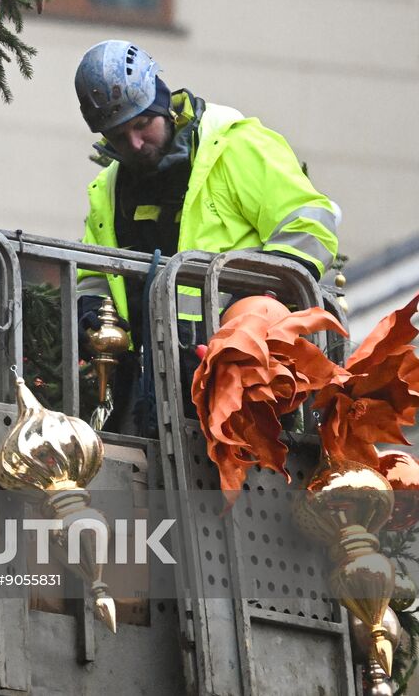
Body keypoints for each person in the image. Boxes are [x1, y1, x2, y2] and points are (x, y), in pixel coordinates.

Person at [73, 40, 339, 433]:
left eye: (142, 124)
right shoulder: (109, 189)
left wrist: (265, 301)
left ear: (162, 103)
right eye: (117, 135)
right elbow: (97, 272)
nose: (134, 144)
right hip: (152, 387)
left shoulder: (233, 145)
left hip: (243, 380)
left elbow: (310, 222)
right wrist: (90, 306)